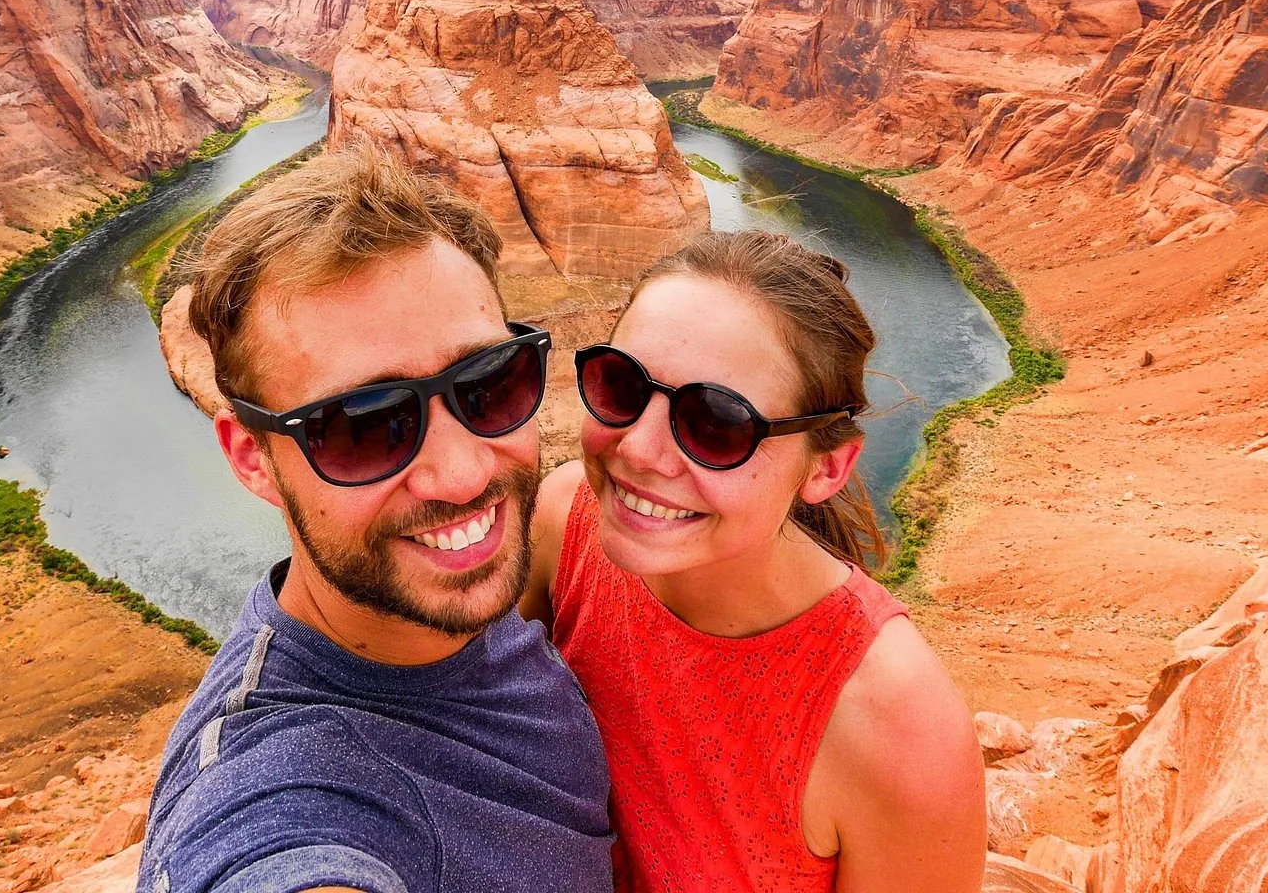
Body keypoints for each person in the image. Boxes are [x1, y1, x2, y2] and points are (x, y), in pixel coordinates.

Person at [139, 145, 613, 893]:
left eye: (489, 383)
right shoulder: (286, 794)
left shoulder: (462, 596)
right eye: (364, 425)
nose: (463, 472)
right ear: (252, 457)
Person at [523, 230, 987, 893]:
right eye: (622, 386)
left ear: (828, 466)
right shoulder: (564, 522)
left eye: (716, 422)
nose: (639, 450)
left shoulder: (898, 731)